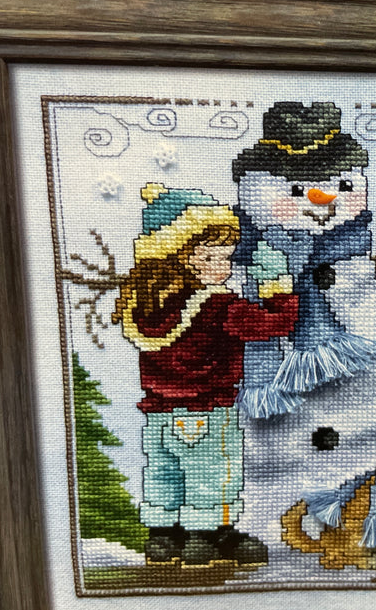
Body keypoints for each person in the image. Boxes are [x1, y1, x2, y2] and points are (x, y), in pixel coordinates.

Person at [113, 183, 298, 567]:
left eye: (226, 257)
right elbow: (274, 324)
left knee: (165, 472)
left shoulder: (144, 306)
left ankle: (163, 535)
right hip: (208, 412)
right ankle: (206, 536)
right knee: (212, 472)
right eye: (212, 257)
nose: (225, 266)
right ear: (178, 257)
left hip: (159, 414)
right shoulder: (218, 306)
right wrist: (276, 286)